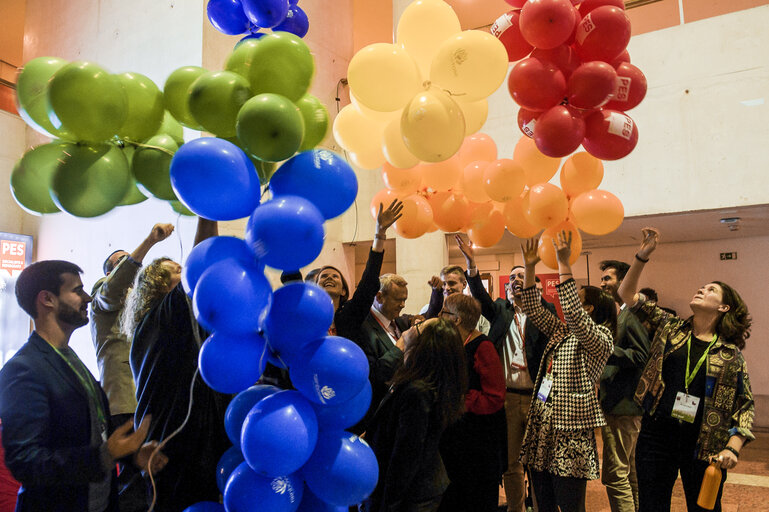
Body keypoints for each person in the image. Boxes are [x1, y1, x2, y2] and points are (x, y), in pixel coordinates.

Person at [0, 260, 165, 512]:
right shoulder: (23, 369)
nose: (88, 298)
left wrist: (133, 455)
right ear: (47, 299)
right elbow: (25, 462)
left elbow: (94, 433)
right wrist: (103, 457)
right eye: (77, 291)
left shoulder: (70, 359)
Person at [617, 228, 754, 512]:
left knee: (703, 507)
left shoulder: (730, 356)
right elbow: (627, 294)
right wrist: (642, 256)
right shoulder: (670, 327)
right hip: (657, 434)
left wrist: (732, 447)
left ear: (725, 307)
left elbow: (745, 406)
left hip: (704, 444)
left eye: (711, 290)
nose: (702, 289)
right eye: (702, 287)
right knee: (652, 506)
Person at [122, 217, 230, 512]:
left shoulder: (189, 326)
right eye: (178, 273)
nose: (187, 275)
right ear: (157, 288)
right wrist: (208, 211)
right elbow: (203, 260)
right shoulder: (157, 321)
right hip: (169, 451)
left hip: (196, 449)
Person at [455, 234, 556, 512]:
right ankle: (515, 508)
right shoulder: (499, 310)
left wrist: (530, 268)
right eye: (512, 277)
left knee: (537, 461)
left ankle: (540, 505)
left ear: (534, 283)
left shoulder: (543, 311)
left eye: (522, 275)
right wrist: (471, 262)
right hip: (508, 399)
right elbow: (479, 295)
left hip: (538, 398)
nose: (515, 280)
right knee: (511, 462)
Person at [519, 233, 614, 512]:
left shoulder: (600, 338)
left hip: (568, 431)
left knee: (571, 505)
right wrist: (529, 268)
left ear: (589, 309)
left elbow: (571, 312)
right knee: (543, 502)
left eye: (578, 301)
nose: (566, 307)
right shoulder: (562, 332)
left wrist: (563, 262)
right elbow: (533, 309)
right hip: (543, 425)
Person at [91, 223, 175, 511]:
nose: (132, 269)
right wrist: (150, 241)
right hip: (125, 403)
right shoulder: (102, 298)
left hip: (150, 399)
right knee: (133, 482)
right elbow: (114, 287)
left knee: (156, 475)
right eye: (122, 264)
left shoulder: (143, 307)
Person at [364, 317, 467, 512]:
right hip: (416, 487)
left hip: (412, 493)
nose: (412, 328)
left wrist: (389, 504)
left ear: (426, 345)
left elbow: (405, 456)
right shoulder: (421, 381)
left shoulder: (418, 390)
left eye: (418, 328)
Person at [437, 293, 506, 512]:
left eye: (444, 312)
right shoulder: (453, 342)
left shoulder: (483, 347)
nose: (439, 316)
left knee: (475, 498)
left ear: (456, 319)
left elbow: (494, 398)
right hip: (456, 439)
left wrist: (458, 399)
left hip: (478, 442)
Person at [598, 259, 651, 512]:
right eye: (602, 279)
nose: (603, 283)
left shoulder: (630, 316)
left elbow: (642, 355)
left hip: (624, 406)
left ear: (623, 281)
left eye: (608, 278)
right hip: (616, 405)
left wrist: (607, 350)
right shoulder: (615, 316)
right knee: (629, 475)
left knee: (615, 475)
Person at [422, 265, 491, 335]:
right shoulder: (427, 309)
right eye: (444, 284)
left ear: (464, 284)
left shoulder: (478, 314)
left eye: (452, 283)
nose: (447, 288)